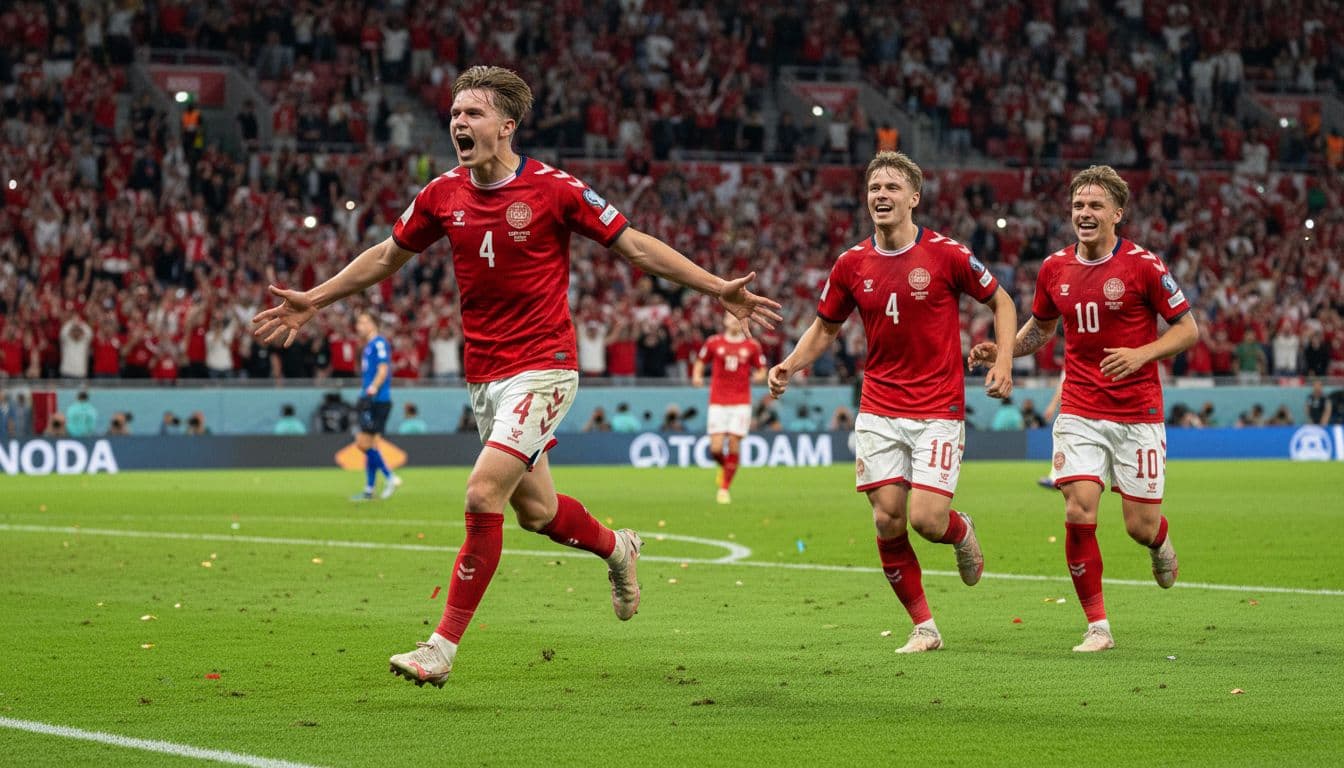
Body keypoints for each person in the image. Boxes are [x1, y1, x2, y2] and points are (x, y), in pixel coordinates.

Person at [253, 65, 781, 689]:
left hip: (545, 368)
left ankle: (441, 647)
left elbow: (634, 246)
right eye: (453, 114)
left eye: (471, 114)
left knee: (481, 495)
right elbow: (386, 257)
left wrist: (719, 286)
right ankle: (618, 548)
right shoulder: (441, 194)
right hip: (485, 377)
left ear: (506, 126)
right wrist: (316, 298)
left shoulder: (555, 189)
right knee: (538, 512)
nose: (457, 123)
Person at [768, 151, 1017, 654]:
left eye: (892, 188)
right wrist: (790, 364)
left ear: (914, 198)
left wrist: (1005, 360)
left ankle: (961, 529)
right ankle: (924, 625)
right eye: (874, 188)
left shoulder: (947, 254)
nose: (881, 196)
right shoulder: (851, 264)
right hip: (879, 406)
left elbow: (1002, 301)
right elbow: (825, 328)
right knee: (886, 518)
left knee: (927, 519)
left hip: (937, 408)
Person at [968, 164, 1198, 653]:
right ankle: (1098, 626)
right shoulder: (1054, 268)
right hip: (1079, 409)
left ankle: (1160, 541)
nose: (1085, 214)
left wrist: (1141, 353)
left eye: (1095, 206)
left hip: (1138, 413)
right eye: (1078, 206)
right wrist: (1004, 351)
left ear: (1118, 213)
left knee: (1139, 527)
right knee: (1078, 508)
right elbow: (1041, 329)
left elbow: (1187, 330)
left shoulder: (1143, 265)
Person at [692, 313, 767, 504]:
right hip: (718, 401)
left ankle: (724, 488)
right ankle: (726, 468)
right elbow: (700, 362)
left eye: (737, 317)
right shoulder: (714, 342)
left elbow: (761, 369)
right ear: (724, 320)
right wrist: (697, 376)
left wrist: (759, 376)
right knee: (716, 448)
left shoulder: (752, 345)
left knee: (734, 442)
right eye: (730, 317)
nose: (734, 320)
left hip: (741, 402)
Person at [352, 311, 401, 501]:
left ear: (373, 324)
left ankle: (390, 477)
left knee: (362, 443)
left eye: (364, 322)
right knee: (370, 444)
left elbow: (383, 369)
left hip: (377, 400)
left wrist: (373, 388)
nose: (359, 326)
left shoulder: (379, 343)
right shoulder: (369, 346)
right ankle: (369, 489)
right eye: (358, 322)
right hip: (372, 398)